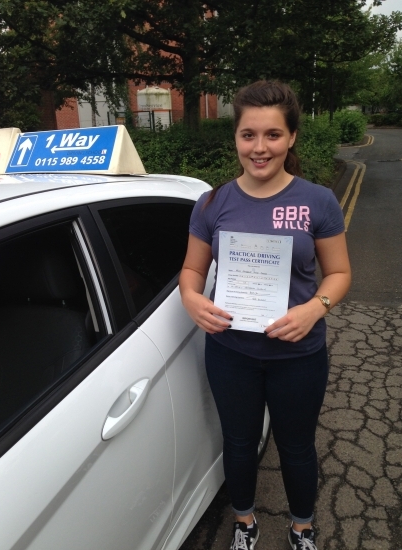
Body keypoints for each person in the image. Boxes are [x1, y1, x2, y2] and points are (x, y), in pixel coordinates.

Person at [179, 80, 351, 550]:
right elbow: (192, 270)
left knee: (296, 446)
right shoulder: (213, 204)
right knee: (237, 443)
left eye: (272, 135)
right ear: (235, 137)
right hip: (231, 351)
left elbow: (338, 273)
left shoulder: (317, 201)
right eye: (248, 135)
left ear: (292, 137)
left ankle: (301, 527)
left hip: (298, 353)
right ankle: (245, 522)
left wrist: (315, 309)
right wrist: (191, 299)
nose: (259, 148)